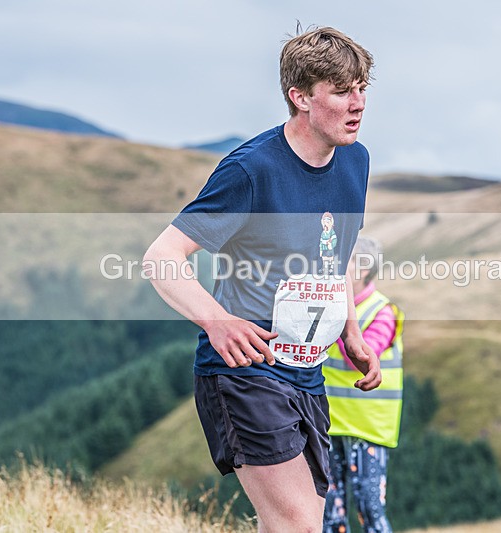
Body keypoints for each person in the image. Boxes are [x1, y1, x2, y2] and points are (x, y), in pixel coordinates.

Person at [143, 26, 381, 532]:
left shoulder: (355, 161)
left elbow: (334, 258)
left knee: (292, 524)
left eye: (362, 88)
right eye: (342, 91)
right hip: (246, 370)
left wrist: (352, 332)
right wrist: (217, 321)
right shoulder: (252, 171)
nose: (358, 103)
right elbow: (161, 256)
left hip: (308, 372)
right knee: (299, 526)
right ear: (300, 97)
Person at [322, 236, 404, 533]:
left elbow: (358, 357)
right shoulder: (329, 305)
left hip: (367, 429)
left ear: (364, 268)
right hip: (328, 424)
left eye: (347, 259)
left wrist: (340, 319)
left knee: (370, 512)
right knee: (330, 515)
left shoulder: (382, 311)